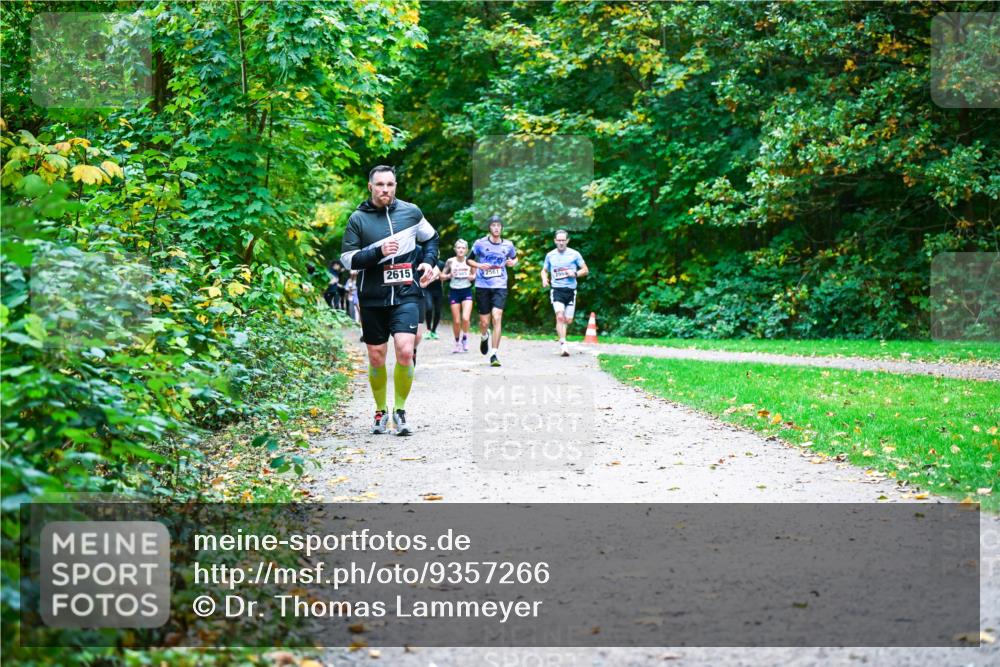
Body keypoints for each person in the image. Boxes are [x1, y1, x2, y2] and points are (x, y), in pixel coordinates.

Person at [340, 165, 439, 436]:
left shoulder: (411, 212)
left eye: (391, 184)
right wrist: (378, 251)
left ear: (396, 185)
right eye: (381, 185)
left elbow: (432, 239)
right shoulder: (358, 219)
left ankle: (400, 410)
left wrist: (429, 263)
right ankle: (380, 410)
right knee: (376, 357)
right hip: (372, 296)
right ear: (370, 186)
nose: (386, 189)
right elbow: (348, 259)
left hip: (407, 293)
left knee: (406, 350)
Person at [468, 215, 517, 367]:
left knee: (497, 316)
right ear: (489, 227)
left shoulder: (508, 245)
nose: (496, 228)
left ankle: (494, 354)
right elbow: (469, 260)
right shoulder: (480, 243)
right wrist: (479, 265)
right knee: (484, 322)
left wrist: (512, 262)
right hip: (483, 285)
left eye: (499, 225)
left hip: (500, 285)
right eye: (493, 225)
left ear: (502, 228)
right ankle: (484, 336)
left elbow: (515, 259)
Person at [541, 229, 588, 356]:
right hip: (557, 290)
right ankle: (563, 344)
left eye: (563, 240)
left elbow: (585, 270)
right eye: (559, 240)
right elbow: (544, 270)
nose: (561, 242)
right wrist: (544, 279)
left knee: (568, 320)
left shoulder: (574, 254)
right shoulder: (550, 255)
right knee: (559, 316)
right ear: (555, 241)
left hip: (571, 291)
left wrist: (575, 273)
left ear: (567, 241)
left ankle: (563, 339)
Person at [440, 239, 474, 353]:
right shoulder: (450, 261)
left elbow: (475, 275)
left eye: (463, 248)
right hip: (454, 291)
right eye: (458, 247)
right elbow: (441, 276)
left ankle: (465, 338)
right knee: (457, 321)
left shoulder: (470, 261)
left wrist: (472, 277)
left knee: (465, 318)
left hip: (466, 291)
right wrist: (449, 275)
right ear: (455, 249)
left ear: (466, 250)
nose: (460, 250)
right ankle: (456, 342)